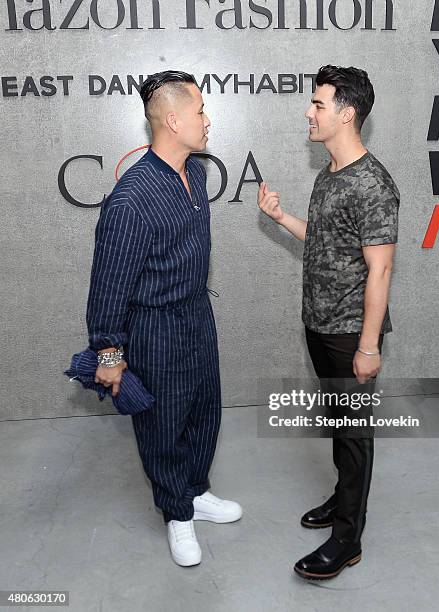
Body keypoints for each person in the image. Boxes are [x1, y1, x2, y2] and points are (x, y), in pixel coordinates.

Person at [86, 70, 242, 568]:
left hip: (197, 312)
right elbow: (108, 286)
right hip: (154, 328)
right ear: (174, 120)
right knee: (162, 425)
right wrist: (109, 354)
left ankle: (195, 491)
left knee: (205, 410)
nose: (207, 119)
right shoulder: (131, 199)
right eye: (200, 110)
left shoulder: (194, 173)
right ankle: (177, 513)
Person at [258, 64, 399, 580]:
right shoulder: (329, 174)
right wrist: (279, 217)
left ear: (348, 114)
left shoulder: (374, 184)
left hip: (349, 335)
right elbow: (320, 238)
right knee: (340, 426)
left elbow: (380, 268)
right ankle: (342, 501)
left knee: (355, 433)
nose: (308, 112)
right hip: (319, 325)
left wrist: (367, 346)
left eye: (318, 105)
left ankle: (348, 539)